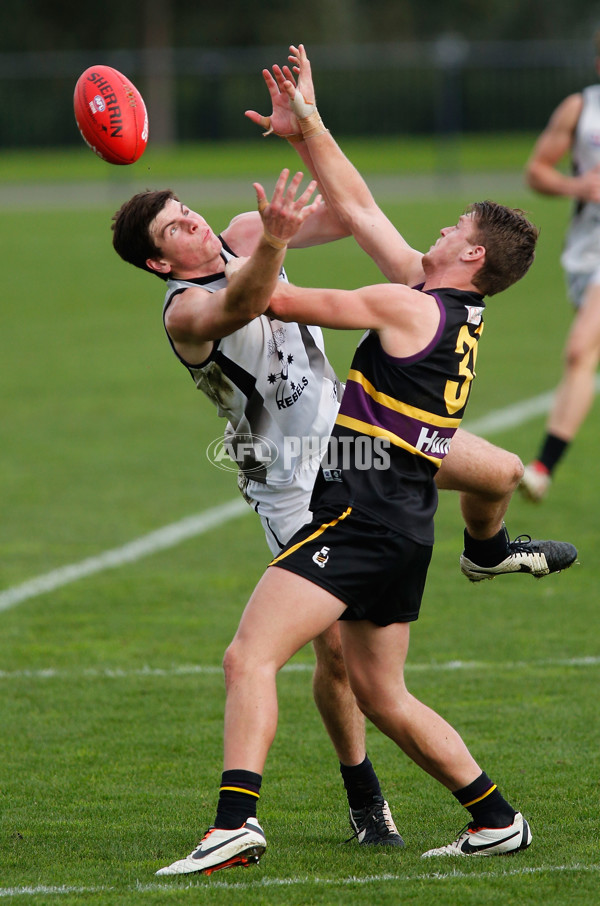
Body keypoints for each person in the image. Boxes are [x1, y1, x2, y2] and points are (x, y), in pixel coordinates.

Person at [112, 58, 576, 854]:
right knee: (342, 655)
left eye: (189, 211)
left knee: (498, 473)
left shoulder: (297, 252)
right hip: (297, 476)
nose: (195, 223)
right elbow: (246, 301)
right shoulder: (188, 308)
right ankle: (379, 796)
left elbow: (355, 210)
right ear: (159, 262)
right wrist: (296, 190)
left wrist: (309, 132)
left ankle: (489, 554)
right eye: (175, 229)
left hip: (361, 453)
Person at [520, 32, 600, 502]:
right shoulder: (580, 108)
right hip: (585, 253)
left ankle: (543, 465)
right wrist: (579, 187)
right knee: (583, 357)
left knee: (578, 350)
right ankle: (544, 468)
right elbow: (537, 170)